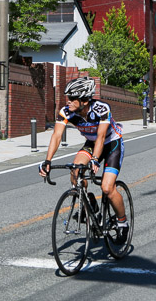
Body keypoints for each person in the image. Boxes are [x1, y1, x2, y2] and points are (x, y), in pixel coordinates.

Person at [38, 77, 128, 244]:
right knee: (75, 172)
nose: (69, 102)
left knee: (107, 188)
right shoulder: (66, 112)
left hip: (111, 143)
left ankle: (122, 222)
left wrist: (95, 160)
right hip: (91, 143)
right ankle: (90, 203)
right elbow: (57, 135)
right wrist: (47, 161)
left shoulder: (102, 109)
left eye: (72, 98)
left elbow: (101, 137)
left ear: (85, 100)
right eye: (68, 98)